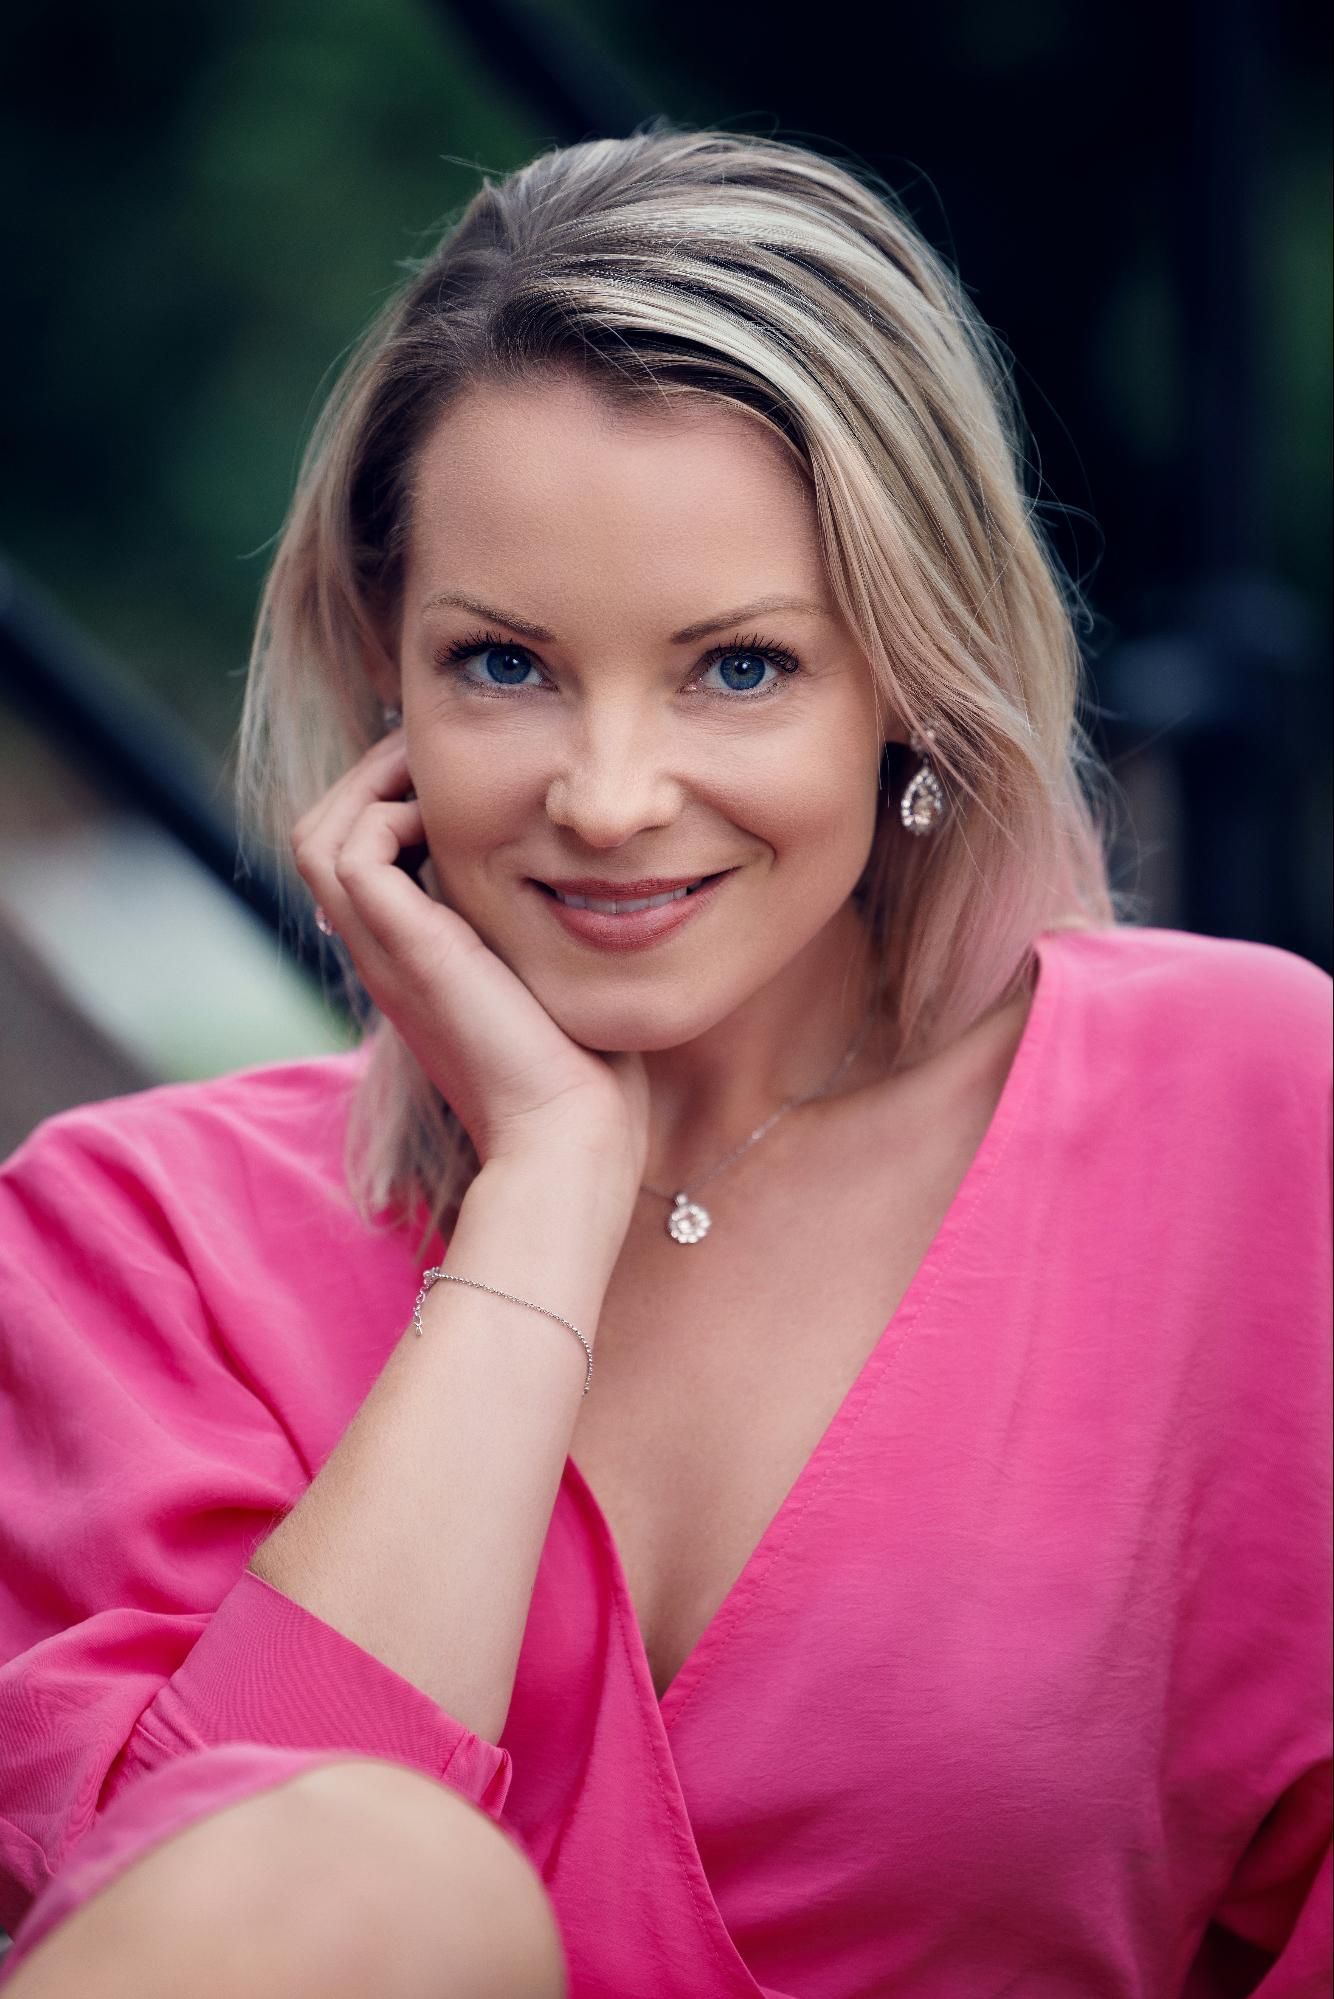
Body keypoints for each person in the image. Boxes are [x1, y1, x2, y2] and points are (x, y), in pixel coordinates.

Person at [0, 122, 1328, 1999]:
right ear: (387, 663)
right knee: (339, 1863)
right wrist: (543, 1191)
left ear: (907, 676)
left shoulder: (1242, 1108)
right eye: (506, 666)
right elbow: (175, 1917)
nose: (610, 801)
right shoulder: (132, 1236)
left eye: (737, 669)